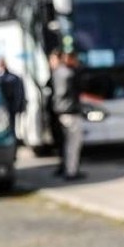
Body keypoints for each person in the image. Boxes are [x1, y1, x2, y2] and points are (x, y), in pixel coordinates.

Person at [50, 50, 85, 180]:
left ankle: (68, 168)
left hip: (61, 112)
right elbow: (77, 91)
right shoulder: (70, 74)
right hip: (71, 111)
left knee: (67, 144)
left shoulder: (57, 72)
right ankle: (71, 171)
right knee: (73, 144)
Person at [0, 56, 26, 142]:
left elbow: (18, 94)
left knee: (11, 128)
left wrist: (17, 107)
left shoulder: (11, 78)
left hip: (9, 107)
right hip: (4, 107)